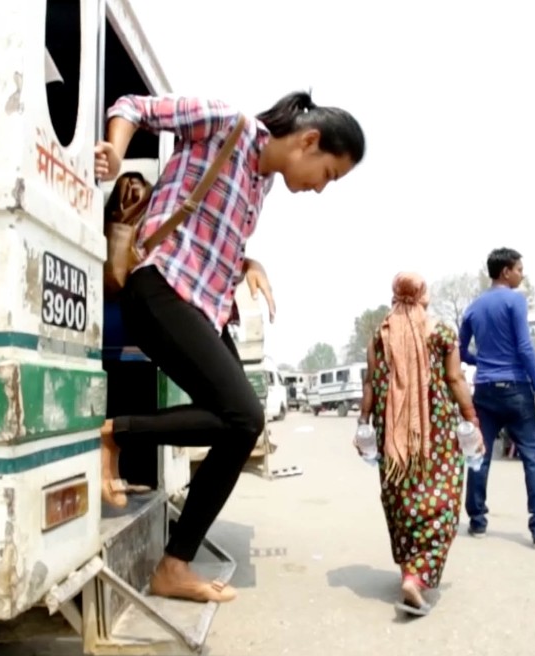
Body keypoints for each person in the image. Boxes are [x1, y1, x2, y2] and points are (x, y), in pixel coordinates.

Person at [94, 91, 366, 604]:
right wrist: (113, 150)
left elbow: (216, 239)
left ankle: (173, 566)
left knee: (244, 425)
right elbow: (135, 106)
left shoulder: (261, 184)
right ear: (309, 142)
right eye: (328, 174)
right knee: (243, 415)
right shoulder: (226, 123)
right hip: (159, 289)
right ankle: (117, 435)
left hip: (200, 304)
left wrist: (250, 264)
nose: (320, 189)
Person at [357, 273, 482, 615]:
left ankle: (408, 570)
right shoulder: (441, 332)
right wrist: (472, 419)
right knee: (440, 498)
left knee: (402, 497)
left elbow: (369, 387)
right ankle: (417, 577)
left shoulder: (379, 336)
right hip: (436, 430)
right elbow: (455, 378)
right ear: (423, 295)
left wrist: (362, 425)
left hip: (390, 431)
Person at [459, 248, 535, 549]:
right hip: (517, 389)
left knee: (479, 456)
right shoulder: (515, 301)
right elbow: (524, 347)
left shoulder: (474, 307)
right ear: (506, 271)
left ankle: (477, 522)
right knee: (532, 456)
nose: (522, 274)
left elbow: (459, 350)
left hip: (486, 391)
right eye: (519, 269)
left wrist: (483, 361)